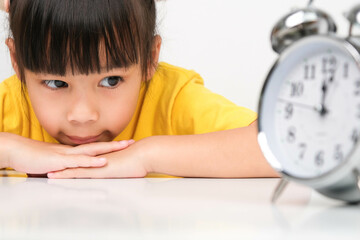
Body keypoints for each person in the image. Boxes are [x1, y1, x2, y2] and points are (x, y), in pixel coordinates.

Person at [0, 0, 278, 179]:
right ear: (17, 61)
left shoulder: (171, 98)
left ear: (150, 58)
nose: (82, 115)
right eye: (57, 83)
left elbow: (279, 147)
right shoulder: (10, 103)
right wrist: (9, 150)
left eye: (111, 81)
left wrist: (147, 156)